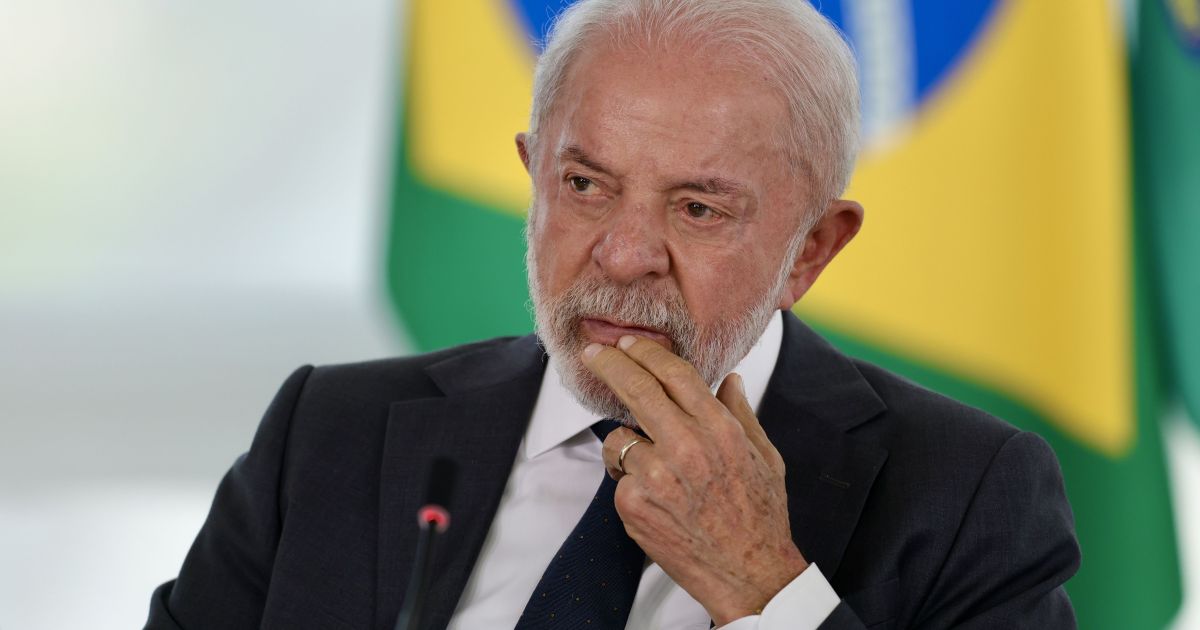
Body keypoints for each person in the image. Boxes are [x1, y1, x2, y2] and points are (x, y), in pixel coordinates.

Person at [145, 0, 1080, 628]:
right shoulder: (330, 431)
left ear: (812, 248)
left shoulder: (967, 492)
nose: (626, 254)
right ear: (533, 179)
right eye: (586, 186)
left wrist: (764, 588)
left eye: (698, 208)